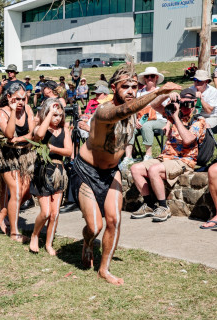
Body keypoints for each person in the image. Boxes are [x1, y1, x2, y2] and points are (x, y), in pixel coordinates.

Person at [69, 62, 181, 285]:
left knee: (114, 220)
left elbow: (147, 105)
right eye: (125, 87)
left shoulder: (134, 106)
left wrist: (170, 97)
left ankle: (104, 270)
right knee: (95, 226)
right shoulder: (104, 111)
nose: (131, 91)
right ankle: (88, 241)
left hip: (112, 172)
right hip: (86, 171)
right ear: (113, 88)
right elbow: (124, 111)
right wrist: (159, 90)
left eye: (134, 87)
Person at [130, 88, 206, 222]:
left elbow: (188, 140)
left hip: (184, 161)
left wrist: (175, 117)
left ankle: (164, 207)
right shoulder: (174, 113)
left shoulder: (198, 121)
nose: (184, 107)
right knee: (135, 168)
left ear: (195, 102)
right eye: (182, 103)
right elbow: (154, 105)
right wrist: (166, 95)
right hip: (165, 157)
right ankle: (148, 204)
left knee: (154, 170)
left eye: (188, 103)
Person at [0, 83, 36, 242]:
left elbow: (33, 134)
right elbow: (9, 134)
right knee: (16, 191)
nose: (21, 102)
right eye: (17, 99)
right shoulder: (2, 113)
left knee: (27, 192)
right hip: (7, 156)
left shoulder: (28, 109)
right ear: (9, 97)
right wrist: (11, 111)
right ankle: (14, 233)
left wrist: (20, 139)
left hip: (25, 156)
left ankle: (2, 214)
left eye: (23, 99)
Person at [29, 98, 72, 255]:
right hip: (43, 171)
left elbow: (69, 152)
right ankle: (34, 235)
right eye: (54, 115)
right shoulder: (39, 128)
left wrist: (53, 147)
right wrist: (48, 115)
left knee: (55, 213)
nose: (58, 118)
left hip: (59, 173)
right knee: (46, 212)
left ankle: (48, 243)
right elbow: (39, 135)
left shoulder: (65, 131)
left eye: (60, 115)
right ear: (46, 113)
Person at [120, 67, 168, 170]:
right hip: (141, 120)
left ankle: (148, 155)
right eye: (147, 76)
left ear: (156, 78)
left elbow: (168, 110)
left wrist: (169, 123)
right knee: (130, 125)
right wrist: (135, 120)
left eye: (152, 76)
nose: (150, 78)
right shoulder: (139, 93)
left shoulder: (161, 92)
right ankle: (128, 157)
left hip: (159, 120)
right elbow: (133, 109)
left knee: (146, 125)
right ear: (144, 79)